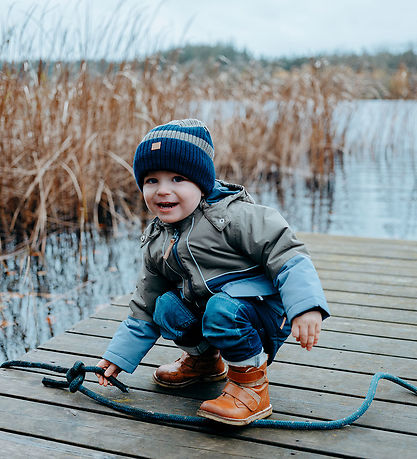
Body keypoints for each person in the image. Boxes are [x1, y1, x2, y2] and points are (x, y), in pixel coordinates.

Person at [96, 118, 330, 426]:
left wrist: (306, 307)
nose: (163, 191)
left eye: (177, 178)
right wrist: (118, 356)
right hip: (218, 314)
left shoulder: (232, 217)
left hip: (261, 315)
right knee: (165, 306)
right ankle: (205, 361)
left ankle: (251, 386)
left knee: (223, 308)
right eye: (152, 180)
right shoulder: (158, 237)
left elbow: (287, 253)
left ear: (201, 182)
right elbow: (145, 304)